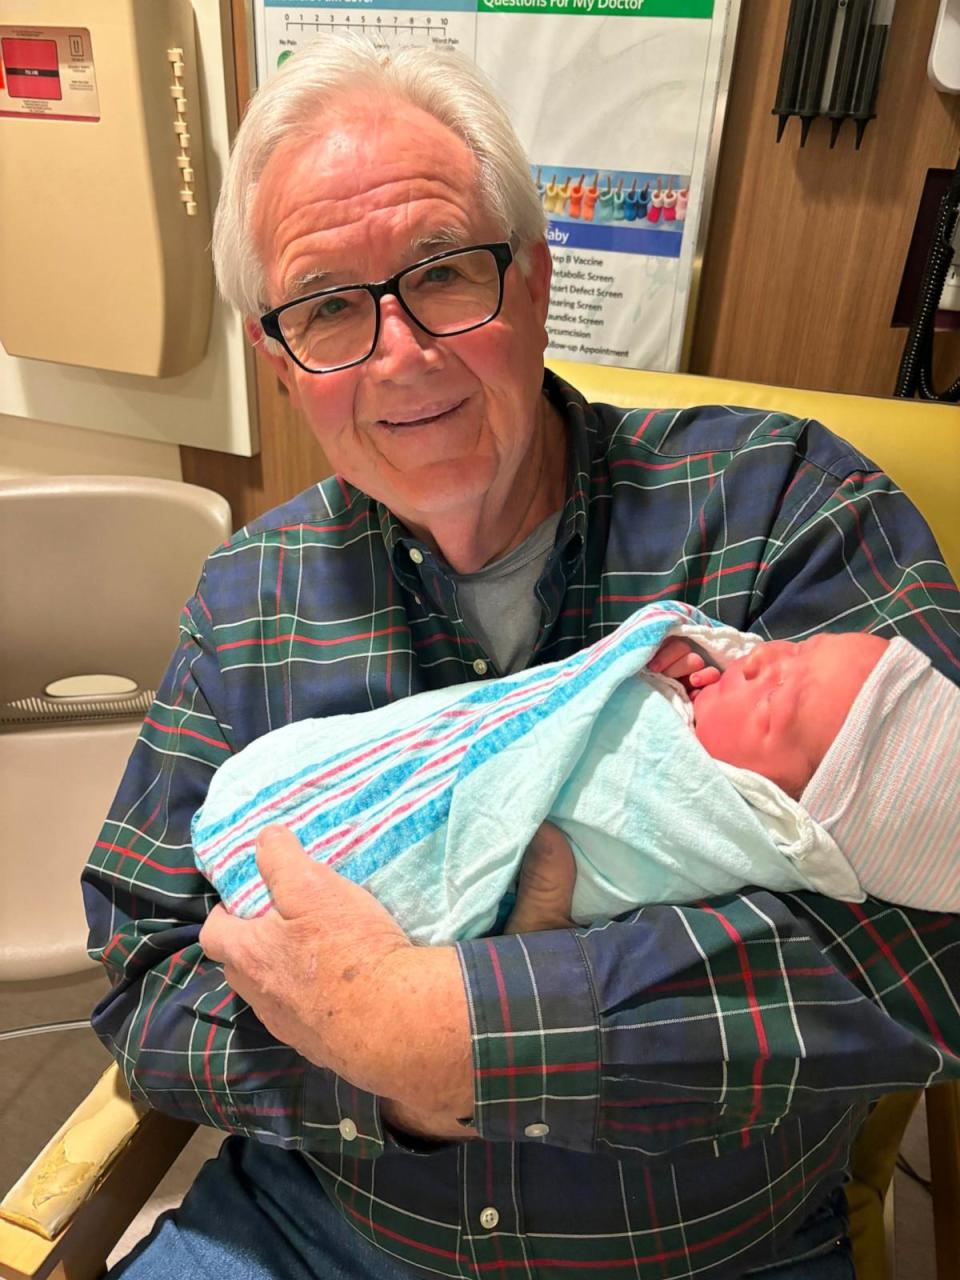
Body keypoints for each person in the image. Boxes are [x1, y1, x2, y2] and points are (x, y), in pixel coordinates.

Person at [81, 39, 960, 1280]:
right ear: (281, 366)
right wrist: (388, 1079)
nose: (395, 352)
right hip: (325, 1232)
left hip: (702, 1253)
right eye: (327, 303)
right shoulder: (247, 602)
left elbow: (939, 949)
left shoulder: (785, 510)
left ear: (535, 278)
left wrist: (464, 1026)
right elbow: (143, 968)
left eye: (442, 273)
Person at [192, 603, 960, 939]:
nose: (756, 661)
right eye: (790, 652)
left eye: (775, 709)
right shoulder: (245, 587)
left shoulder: (701, 819)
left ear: (786, 813)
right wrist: (646, 667)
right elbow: (141, 960)